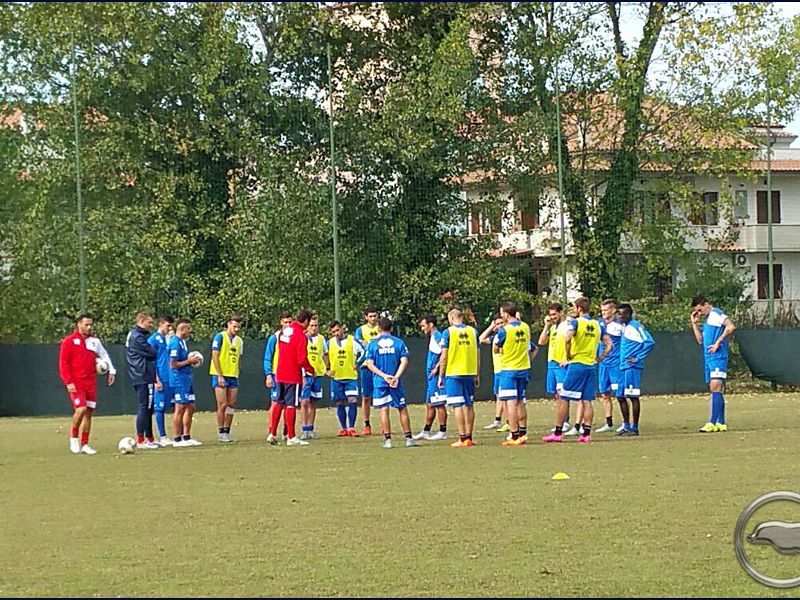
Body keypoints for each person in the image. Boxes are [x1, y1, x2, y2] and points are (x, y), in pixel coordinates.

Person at [542, 297, 609, 443]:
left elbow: (567, 339)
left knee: (563, 397)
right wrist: (600, 357)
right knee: (587, 400)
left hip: (577, 365)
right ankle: (586, 434)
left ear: (579, 309)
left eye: (574, 307)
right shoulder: (597, 325)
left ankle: (558, 432)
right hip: (591, 366)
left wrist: (568, 355)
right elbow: (609, 345)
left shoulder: (576, 322)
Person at [58, 314, 116, 455]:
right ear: (79, 324)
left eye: (90, 324)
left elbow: (104, 355)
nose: (89, 327)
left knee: (89, 413)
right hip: (76, 382)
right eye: (86, 324)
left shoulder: (94, 341)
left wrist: (112, 370)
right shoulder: (69, 341)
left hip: (91, 381)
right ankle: (73, 438)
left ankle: (85, 444)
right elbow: (63, 363)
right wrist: (68, 381)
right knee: (81, 409)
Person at [363, 317, 419, 449]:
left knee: (384, 409)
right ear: (391, 328)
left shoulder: (372, 344)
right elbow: (404, 361)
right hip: (395, 382)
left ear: (378, 329)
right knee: (402, 408)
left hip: (380, 381)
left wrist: (384, 376)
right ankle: (408, 438)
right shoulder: (399, 343)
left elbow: (370, 364)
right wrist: (396, 377)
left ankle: (388, 440)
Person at [267, 309, 315, 446]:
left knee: (278, 402)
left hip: (280, 372)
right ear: (306, 321)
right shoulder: (300, 335)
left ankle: (272, 433)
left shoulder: (284, 331)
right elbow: (301, 359)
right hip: (292, 374)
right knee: (291, 404)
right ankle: (291, 437)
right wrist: (311, 370)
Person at [494, 303, 538, 446]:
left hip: (508, 370)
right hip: (523, 369)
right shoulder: (525, 327)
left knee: (510, 403)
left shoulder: (504, 330)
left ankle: (514, 435)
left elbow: (496, 348)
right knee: (521, 401)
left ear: (506, 314)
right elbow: (531, 347)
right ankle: (523, 432)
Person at [691, 295, 736, 433]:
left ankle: (712, 422)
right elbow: (700, 341)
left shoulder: (716, 313)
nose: (699, 313)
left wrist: (718, 342)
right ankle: (721, 423)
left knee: (715, 386)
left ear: (705, 304)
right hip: (709, 358)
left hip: (718, 357)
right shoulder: (707, 322)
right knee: (715, 388)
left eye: (699, 310)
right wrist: (694, 323)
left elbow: (731, 326)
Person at [438, 307, 480, 448]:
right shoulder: (473, 332)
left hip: (454, 373)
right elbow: (478, 354)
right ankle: (469, 436)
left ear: (451, 318)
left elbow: (444, 355)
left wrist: (440, 375)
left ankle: (462, 438)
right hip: (469, 371)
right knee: (469, 405)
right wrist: (477, 373)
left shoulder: (448, 332)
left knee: (457, 405)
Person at [617, 303, 655, 436]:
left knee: (633, 396)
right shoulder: (624, 327)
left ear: (628, 314)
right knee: (620, 396)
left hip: (632, 366)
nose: (619, 317)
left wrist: (638, 358)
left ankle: (635, 428)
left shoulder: (636, 326)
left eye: (621, 314)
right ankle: (626, 425)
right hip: (623, 366)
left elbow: (649, 342)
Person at [538, 303, 573, 434]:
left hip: (561, 364)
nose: (553, 317)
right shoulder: (552, 327)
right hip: (551, 363)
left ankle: (565, 422)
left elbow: (572, 342)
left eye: (555, 314)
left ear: (561, 313)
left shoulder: (567, 326)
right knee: (556, 395)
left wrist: (568, 359)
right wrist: (546, 325)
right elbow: (541, 342)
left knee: (563, 394)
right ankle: (561, 421)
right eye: (551, 314)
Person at [125, 312, 159, 449]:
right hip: (142, 375)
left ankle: (149, 438)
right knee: (144, 407)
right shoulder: (138, 337)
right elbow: (152, 353)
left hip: (141, 374)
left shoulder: (136, 334)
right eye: (149, 323)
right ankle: (140, 440)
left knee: (148, 408)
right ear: (141, 321)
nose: (151, 326)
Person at [412, 314, 448, 441]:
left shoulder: (438, 337)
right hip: (430, 377)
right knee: (430, 404)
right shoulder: (433, 337)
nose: (422, 329)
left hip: (436, 376)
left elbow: (445, 354)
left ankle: (443, 431)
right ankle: (426, 431)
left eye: (423, 325)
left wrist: (437, 368)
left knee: (439, 404)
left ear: (430, 325)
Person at [210, 314, 244, 443]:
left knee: (231, 404)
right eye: (234, 326)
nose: (236, 329)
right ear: (229, 324)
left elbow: (239, 359)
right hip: (220, 375)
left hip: (233, 375)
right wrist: (219, 375)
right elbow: (215, 356)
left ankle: (227, 431)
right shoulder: (220, 337)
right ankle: (220, 431)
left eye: (238, 327)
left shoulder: (240, 341)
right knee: (222, 404)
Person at [169, 319, 202, 447]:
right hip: (179, 380)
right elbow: (173, 364)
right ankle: (177, 439)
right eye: (188, 328)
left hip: (186, 378)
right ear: (182, 329)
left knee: (191, 406)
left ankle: (186, 437)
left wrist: (191, 361)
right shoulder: (175, 343)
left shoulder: (183, 342)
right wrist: (189, 361)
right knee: (180, 407)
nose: (190, 330)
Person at [327, 320, 363, 437]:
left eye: (337, 330)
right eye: (333, 332)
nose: (336, 333)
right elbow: (323, 356)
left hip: (350, 377)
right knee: (339, 402)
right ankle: (343, 428)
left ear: (342, 328)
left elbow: (365, 352)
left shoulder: (352, 340)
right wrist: (327, 369)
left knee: (352, 400)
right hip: (336, 378)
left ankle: (351, 427)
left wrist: (358, 363)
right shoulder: (329, 343)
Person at [148, 315, 178, 446]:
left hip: (173, 378)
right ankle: (163, 436)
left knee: (177, 406)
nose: (170, 328)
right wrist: (156, 380)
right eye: (168, 325)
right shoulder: (153, 340)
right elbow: (151, 361)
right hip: (162, 378)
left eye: (171, 326)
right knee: (159, 408)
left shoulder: (172, 339)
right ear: (160, 324)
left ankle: (180, 435)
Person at [596, 299, 624, 433]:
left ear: (613, 310)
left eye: (606, 310)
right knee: (604, 394)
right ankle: (608, 422)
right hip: (603, 364)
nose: (603, 313)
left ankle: (626, 422)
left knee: (620, 394)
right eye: (602, 311)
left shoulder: (620, 325)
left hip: (616, 364)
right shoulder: (598, 324)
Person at [263, 311, 293, 430]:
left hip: (290, 375)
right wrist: (268, 375)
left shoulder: (294, 337)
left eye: (290, 322)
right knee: (275, 403)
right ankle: (272, 429)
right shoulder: (274, 338)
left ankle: (287, 428)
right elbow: (267, 357)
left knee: (289, 404)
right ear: (281, 323)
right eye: (286, 322)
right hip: (277, 375)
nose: (288, 325)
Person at [301, 315, 328, 440]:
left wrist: (325, 367)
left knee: (313, 401)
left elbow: (325, 354)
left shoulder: (322, 339)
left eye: (316, 325)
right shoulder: (302, 337)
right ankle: (304, 428)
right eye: (311, 325)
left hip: (317, 374)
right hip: (305, 374)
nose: (314, 328)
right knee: (304, 401)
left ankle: (311, 428)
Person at [479, 314, 508, 432]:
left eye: (502, 323)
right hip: (497, 371)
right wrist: (491, 327)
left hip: (504, 370)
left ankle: (508, 422)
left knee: (505, 396)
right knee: (498, 396)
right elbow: (481, 339)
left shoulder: (506, 335)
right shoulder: (496, 337)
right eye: (497, 323)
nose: (500, 325)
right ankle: (497, 420)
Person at [354, 306, 380, 435]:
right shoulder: (360, 330)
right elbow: (362, 345)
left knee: (382, 395)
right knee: (366, 397)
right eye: (370, 316)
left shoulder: (381, 328)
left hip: (380, 366)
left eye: (375, 316)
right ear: (366, 317)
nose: (373, 318)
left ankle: (383, 424)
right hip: (366, 366)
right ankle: (367, 425)